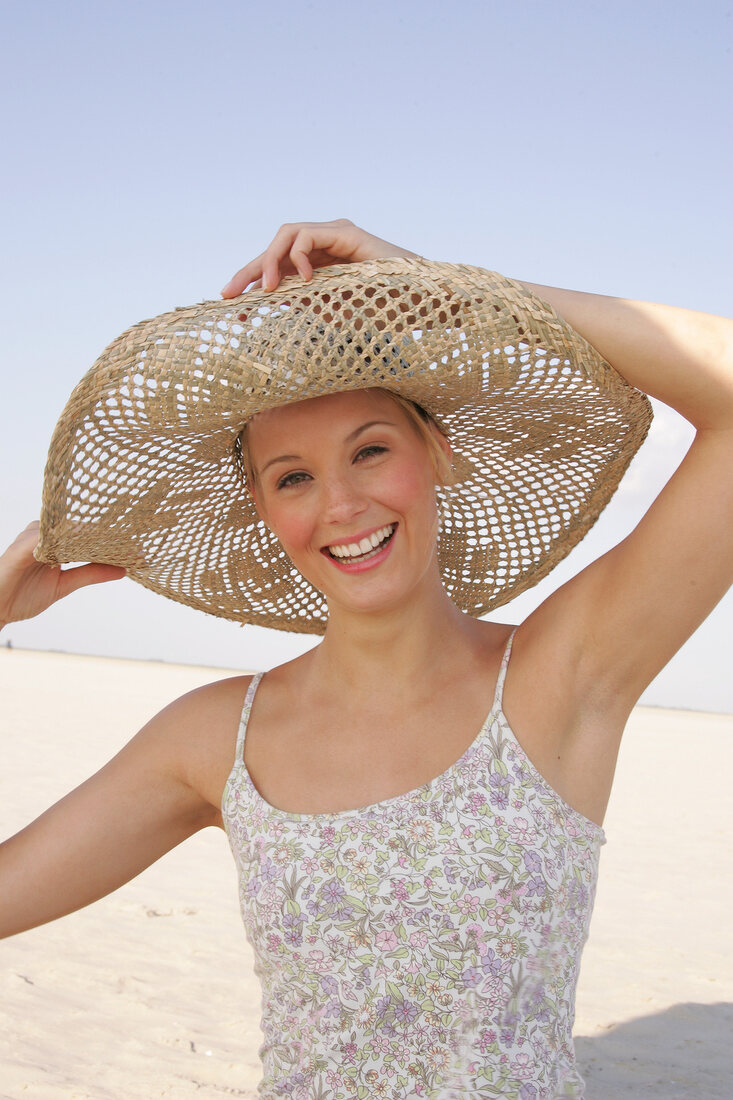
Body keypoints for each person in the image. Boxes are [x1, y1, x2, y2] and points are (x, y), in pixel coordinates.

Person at [1, 218, 731, 1100]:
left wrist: (435, 290)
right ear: (266, 514)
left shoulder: (558, 677)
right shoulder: (215, 737)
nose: (341, 503)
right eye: (292, 477)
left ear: (438, 453)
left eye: (371, 450)